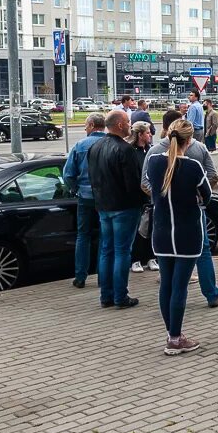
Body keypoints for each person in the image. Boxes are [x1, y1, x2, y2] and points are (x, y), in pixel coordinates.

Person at [143, 109, 218, 307]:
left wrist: (160, 197)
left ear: (166, 128)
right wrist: (198, 196)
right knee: (202, 251)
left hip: (164, 215)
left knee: (167, 259)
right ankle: (211, 294)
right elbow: (212, 176)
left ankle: (171, 307)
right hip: (193, 214)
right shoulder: (199, 149)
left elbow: (144, 183)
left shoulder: (153, 154)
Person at [146, 120, 211, 355]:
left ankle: (172, 334)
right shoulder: (193, 166)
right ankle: (174, 338)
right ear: (190, 140)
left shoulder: (154, 162)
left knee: (167, 284)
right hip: (187, 233)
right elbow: (208, 196)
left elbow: (148, 185)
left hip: (162, 232)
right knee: (179, 287)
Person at [88, 111, 143, 309]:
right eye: (128, 122)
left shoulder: (95, 147)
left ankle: (106, 296)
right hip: (124, 207)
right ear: (120, 125)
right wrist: (142, 201)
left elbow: (92, 178)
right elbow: (132, 183)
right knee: (122, 252)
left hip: (103, 205)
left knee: (106, 251)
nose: (130, 125)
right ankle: (120, 296)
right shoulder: (125, 149)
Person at [62, 114, 108, 288]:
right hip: (106, 198)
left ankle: (80, 276)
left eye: (86, 125)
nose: (84, 129)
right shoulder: (111, 144)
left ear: (91, 125)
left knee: (83, 236)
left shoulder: (80, 146)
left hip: (85, 197)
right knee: (105, 237)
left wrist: (76, 189)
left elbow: (68, 174)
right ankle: (102, 277)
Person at [128, 122, 158, 273]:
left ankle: (151, 257)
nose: (150, 135)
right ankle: (135, 259)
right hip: (137, 198)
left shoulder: (151, 151)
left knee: (151, 228)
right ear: (140, 135)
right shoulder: (131, 152)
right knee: (139, 230)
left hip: (150, 197)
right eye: (147, 133)